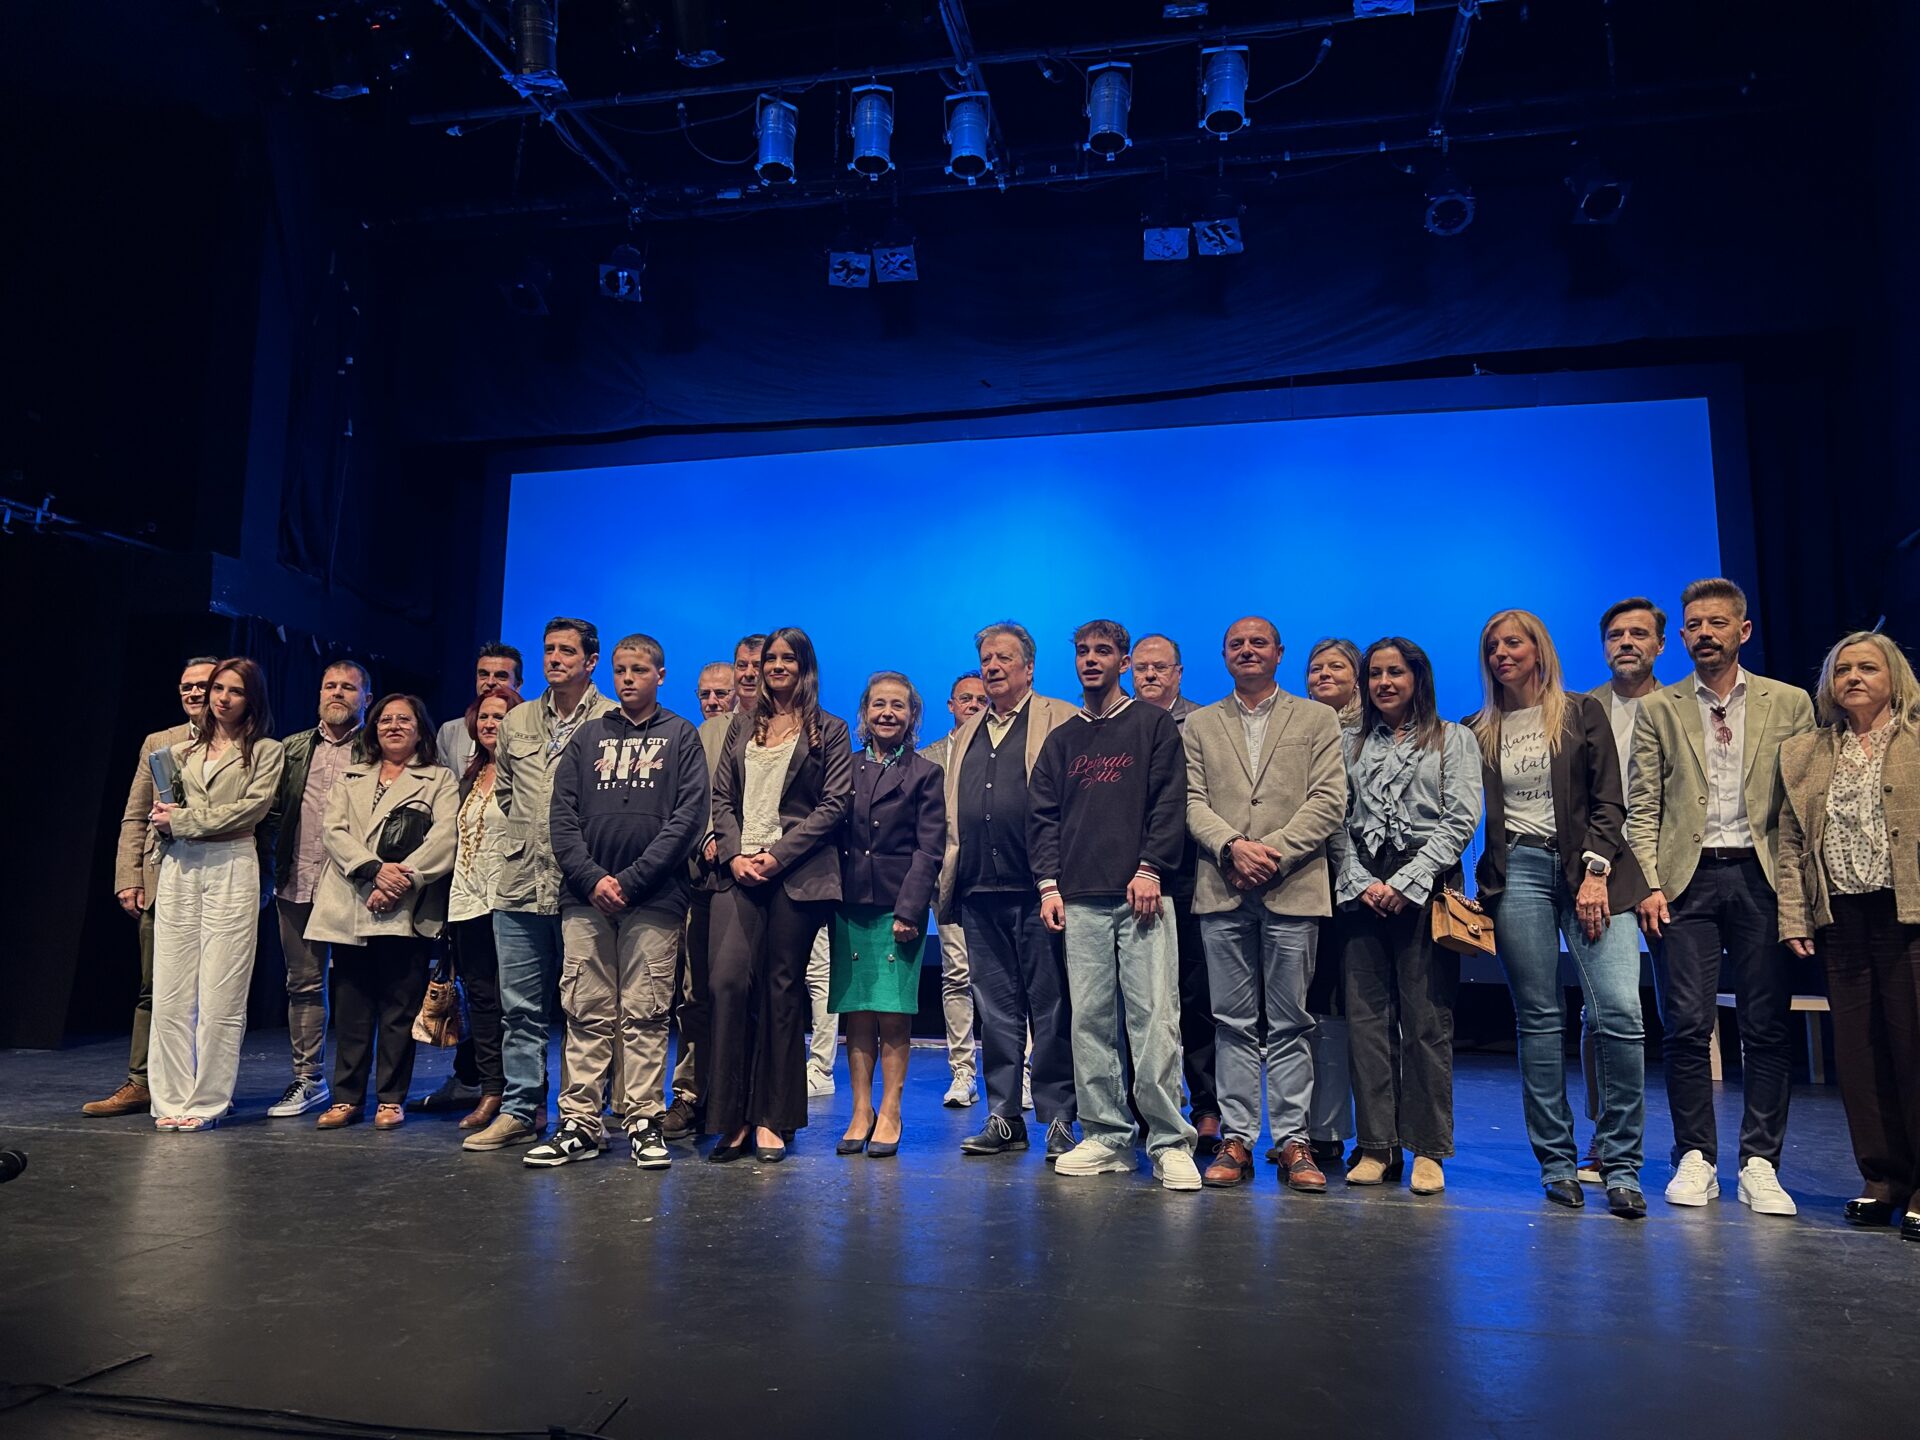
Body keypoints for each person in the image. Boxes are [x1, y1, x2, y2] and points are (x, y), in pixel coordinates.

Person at [1626, 577, 1815, 1215]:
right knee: (1686, 1026)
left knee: (1765, 1027)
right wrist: (1649, 882)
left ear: (1743, 631)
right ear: (1680, 637)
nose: (1704, 634)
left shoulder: (1788, 703)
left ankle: (1761, 1162)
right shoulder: (1660, 708)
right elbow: (1643, 804)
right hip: (1686, 880)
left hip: (1762, 877)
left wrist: (1796, 892)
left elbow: (1798, 807)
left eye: (1716, 623)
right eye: (1694, 626)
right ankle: (1695, 1158)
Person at [1469, 610, 1652, 1218]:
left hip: (1590, 871)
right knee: (1540, 1021)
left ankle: (1621, 1164)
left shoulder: (1580, 712)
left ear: (1539, 649)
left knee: (1621, 1012)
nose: (1501, 653)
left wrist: (1597, 873)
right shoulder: (1478, 729)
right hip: (1517, 873)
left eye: (1513, 642)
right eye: (1492, 646)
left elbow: (1609, 800)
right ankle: (1556, 1163)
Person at [1029, 620, 1199, 1190]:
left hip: (1142, 897)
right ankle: (1107, 1136)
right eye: (1082, 652)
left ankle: (1170, 1141)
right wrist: (1049, 886)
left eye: (1103, 652)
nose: (1091, 660)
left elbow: (1169, 803)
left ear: (1123, 661)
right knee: (1092, 1022)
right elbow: (1043, 818)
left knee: (1154, 1021)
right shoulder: (1061, 740)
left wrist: (1151, 867)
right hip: (1080, 900)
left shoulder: (1151, 725)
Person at [532, 634, 709, 1170]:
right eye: (620, 669)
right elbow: (561, 816)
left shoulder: (681, 736)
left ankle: (642, 1121)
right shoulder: (587, 738)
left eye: (639, 669)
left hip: (654, 899)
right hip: (586, 900)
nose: (627, 678)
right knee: (584, 1009)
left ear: (660, 674)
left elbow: (687, 818)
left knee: (646, 1011)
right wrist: (592, 879)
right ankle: (581, 1123)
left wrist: (630, 880)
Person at [1183, 618, 1347, 1191]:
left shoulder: (1317, 718)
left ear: (1279, 653)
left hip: (1293, 883)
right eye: (1236, 644)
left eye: (1258, 643)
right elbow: (1190, 799)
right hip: (1223, 886)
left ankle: (1294, 1140)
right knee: (1229, 1022)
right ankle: (1236, 1138)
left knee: (1292, 1021)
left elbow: (1330, 799)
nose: (1247, 650)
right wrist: (1232, 846)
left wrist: (1268, 852)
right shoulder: (1200, 722)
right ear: (1224, 655)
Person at [1776, 631, 1920, 1240]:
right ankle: (1881, 1178)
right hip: (1843, 918)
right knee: (1858, 1054)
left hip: (1908, 916)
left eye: (1868, 667)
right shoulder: (1806, 750)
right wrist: (1793, 916)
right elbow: (1789, 843)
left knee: (1915, 1048)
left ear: (1896, 679)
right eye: (1843, 670)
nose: (1854, 678)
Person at [1328, 637, 1482, 1196]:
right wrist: (1362, 880)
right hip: (1361, 886)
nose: (1384, 683)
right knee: (1367, 1023)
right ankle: (1375, 1146)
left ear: (1419, 677)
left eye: (1396, 673)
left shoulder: (1454, 738)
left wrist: (1406, 882)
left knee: (1425, 1022)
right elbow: (1334, 820)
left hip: (1427, 882)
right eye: (1375, 674)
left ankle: (1427, 1149)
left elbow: (1461, 819)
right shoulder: (1347, 744)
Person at [706, 628, 852, 1163]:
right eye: (771, 658)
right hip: (740, 870)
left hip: (797, 874)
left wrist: (777, 855)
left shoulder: (828, 730)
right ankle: (732, 1117)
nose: (777, 666)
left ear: (805, 666)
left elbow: (834, 805)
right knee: (727, 983)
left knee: (780, 990)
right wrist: (735, 852)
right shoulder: (742, 726)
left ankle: (773, 1118)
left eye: (789, 658)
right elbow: (721, 797)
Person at [468, 618, 614, 1152]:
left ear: (590, 660)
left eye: (567, 651)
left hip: (582, 885)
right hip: (519, 882)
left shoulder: (611, 718)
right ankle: (520, 1110)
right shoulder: (519, 719)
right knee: (521, 1008)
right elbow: (507, 791)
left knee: (586, 1006)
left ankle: (585, 1113)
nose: (555, 658)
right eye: (549, 649)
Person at [941, 621, 1080, 1160]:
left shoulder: (1060, 719)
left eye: (1003, 658)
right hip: (979, 889)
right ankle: (1003, 1115)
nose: (992, 667)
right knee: (995, 1011)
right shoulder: (965, 731)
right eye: (985, 660)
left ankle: (1060, 1116)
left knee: (1051, 1008)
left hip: (1039, 889)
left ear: (1029, 666)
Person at [308, 695, 458, 1130]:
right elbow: (333, 832)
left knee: (398, 1008)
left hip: (405, 909)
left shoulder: (439, 779)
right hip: (350, 901)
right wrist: (374, 872)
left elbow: (444, 839)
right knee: (352, 1008)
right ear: (373, 728)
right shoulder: (351, 776)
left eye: (404, 719)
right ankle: (346, 1098)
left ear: (419, 728)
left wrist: (399, 882)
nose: (393, 726)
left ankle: (391, 1098)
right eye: (385, 719)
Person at [147, 658, 284, 1132]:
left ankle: (208, 1100)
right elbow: (166, 811)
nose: (222, 698)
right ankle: (169, 1098)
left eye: (235, 691)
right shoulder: (182, 751)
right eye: (217, 689)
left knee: (221, 991)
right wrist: (164, 824)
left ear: (252, 699)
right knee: (170, 991)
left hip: (231, 863)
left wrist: (180, 821)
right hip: (181, 866)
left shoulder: (265, 751)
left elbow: (250, 811)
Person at [84, 656, 218, 1117]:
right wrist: (129, 878)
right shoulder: (160, 743)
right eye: (186, 686)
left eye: (204, 685)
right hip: (162, 879)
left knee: (212, 991)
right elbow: (135, 813)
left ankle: (205, 1086)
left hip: (220, 880)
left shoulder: (247, 744)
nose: (194, 693)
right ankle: (141, 1081)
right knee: (153, 986)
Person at [1571, 597, 1668, 1179]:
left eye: (1638, 633)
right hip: (1600, 871)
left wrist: (1657, 879)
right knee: (1605, 1009)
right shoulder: (1583, 710)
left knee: (1677, 1017)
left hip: (1668, 874)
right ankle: (1606, 1139)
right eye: (1614, 634)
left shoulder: (1680, 707)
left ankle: (1693, 1151)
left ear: (1660, 643)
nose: (1625, 642)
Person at [832, 672, 946, 1158]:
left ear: (912, 716)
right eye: (878, 704)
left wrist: (910, 909)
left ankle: (892, 1109)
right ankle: (861, 1110)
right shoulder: (844, 768)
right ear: (864, 713)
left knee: (893, 1016)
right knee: (856, 1016)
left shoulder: (925, 774)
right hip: (849, 907)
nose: (887, 713)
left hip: (899, 911)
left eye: (898, 706)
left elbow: (929, 848)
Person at [266, 660, 371, 1118]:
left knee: (360, 989)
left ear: (366, 697)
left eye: (349, 688)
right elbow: (269, 813)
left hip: (355, 887)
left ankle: (360, 1088)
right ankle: (308, 1079)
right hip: (296, 881)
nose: (339, 694)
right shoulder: (291, 748)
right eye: (331, 685)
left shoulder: (379, 747)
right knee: (304, 984)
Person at [1132, 633, 1220, 1154]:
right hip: (1131, 875)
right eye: (1141, 668)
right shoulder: (1117, 724)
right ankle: (1147, 1105)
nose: (1150, 676)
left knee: (1196, 997)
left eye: (1160, 668)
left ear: (1179, 672)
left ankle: (1206, 1108)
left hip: (1191, 875)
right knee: (1142, 1001)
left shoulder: (1203, 723)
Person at [429, 686, 522, 1130]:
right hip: (467, 902)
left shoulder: (527, 772)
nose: (490, 724)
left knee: (520, 1005)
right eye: (484, 717)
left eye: (500, 717)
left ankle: (528, 1095)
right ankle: (491, 1092)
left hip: (511, 900)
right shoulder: (469, 775)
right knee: (483, 1003)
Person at [1300, 637, 1363, 1170]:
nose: (1323, 674)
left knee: (1355, 1012)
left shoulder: (1375, 732)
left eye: (1336, 666)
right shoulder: (1296, 729)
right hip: (1307, 883)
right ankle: (1319, 1130)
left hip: (1366, 889)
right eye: (1315, 667)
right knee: (1316, 1012)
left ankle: (1374, 1132)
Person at [660, 704, 733, 1143]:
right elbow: (691, 796)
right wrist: (709, 835)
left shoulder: (796, 729)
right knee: (695, 994)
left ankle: (742, 1100)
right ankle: (689, 1092)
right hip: (703, 880)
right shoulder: (705, 733)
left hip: (763, 875)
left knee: (749, 995)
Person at [917, 672, 990, 1107]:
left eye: (982, 698)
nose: (974, 704)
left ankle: (1018, 1070)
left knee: (1006, 980)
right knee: (957, 975)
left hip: (997, 878)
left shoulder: (1002, 747)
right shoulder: (929, 759)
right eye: (966, 698)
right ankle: (963, 1071)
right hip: (947, 881)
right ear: (950, 704)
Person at [435, 643, 524, 779]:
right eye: (483, 675)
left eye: (501, 676)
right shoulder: (450, 731)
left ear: (518, 685)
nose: (490, 682)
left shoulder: (531, 729)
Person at [731, 633, 767, 712]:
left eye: (758, 666)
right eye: (741, 665)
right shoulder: (715, 724)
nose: (748, 674)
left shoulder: (792, 722)